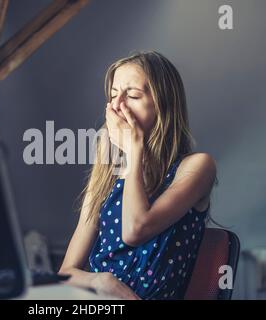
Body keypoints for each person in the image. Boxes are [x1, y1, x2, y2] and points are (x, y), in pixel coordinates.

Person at [58, 51, 217, 300]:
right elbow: (66, 272)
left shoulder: (198, 167)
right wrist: (101, 280)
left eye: (132, 95)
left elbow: (135, 230)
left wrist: (134, 149)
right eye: (113, 95)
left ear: (164, 105)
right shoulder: (107, 172)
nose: (117, 104)